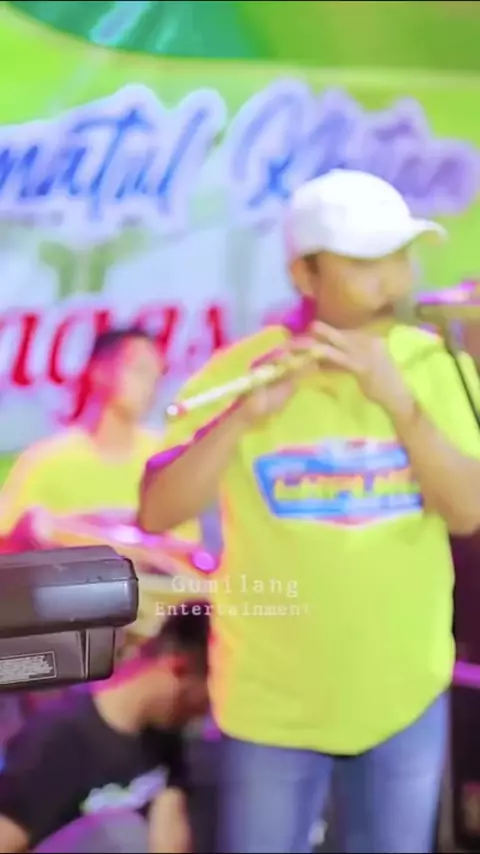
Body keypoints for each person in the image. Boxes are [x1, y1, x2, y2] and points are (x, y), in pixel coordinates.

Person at [139, 169, 480, 854]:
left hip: (404, 695)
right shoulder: (240, 372)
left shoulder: (433, 366)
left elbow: (467, 512)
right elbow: (156, 512)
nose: (394, 279)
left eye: (401, 256)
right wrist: (243, 417)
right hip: (270, 707)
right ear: (304, 272)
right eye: (367, 262)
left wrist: (398, 401)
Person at [0, 603, 210, 853]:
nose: (206, 712)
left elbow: (170, 827)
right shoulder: (56, 739)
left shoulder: (166, 738)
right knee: (122, 831)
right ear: (179, 667)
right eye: (207, 699)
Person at [0, 326, 200, 548]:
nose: (151, 386)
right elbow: (8, 536)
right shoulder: (46, 461)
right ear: (100, 372)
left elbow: (185, 546)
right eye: (140, 371)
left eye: (158, 375)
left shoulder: (166, 460)